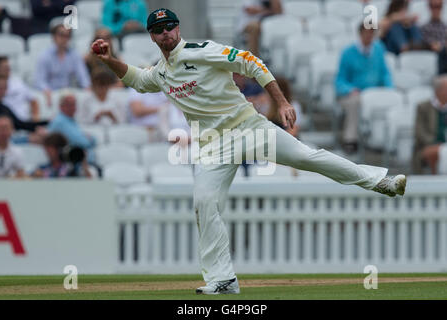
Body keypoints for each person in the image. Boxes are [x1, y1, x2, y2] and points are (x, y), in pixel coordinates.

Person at [91, 8, 407, 295]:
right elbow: (139, 80)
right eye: (160, 30)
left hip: (248, 127)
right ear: (152, 36)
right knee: (203, 203)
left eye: (171, 27)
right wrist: (108, 60)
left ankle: (380, 180)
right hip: (212, 146)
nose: (167, 34)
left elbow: (250, 62)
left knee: (306, 158)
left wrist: (281, 102)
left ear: (178, 28)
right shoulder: (161, 71)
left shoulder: (201, 51)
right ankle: (223, 279)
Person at [335, 23, 393, 153]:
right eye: (367, 32)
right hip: (354, 94)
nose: (369, 35)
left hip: (374, 93)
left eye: (372, 32)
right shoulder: (348, 53)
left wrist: (389, 88)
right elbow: (340, 80)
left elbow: (385, 72)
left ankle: (384, 139)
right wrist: (350, 89)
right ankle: (350, 140)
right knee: (356, 101)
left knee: (390, 99)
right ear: (360, 33)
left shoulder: (379, 49)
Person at [34, 23, 91, 106]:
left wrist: (87, 88)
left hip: (68, 93)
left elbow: (82, 76)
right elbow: (39, 80)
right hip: (51, 93)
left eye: (67, 36)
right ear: (54, 37)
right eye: (61, 35)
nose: (64, 39)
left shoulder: (74, 55)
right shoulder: (44, 56)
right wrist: (46, 90)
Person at [48, 92, 96, 164]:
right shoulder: (60, 122)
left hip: (82, 161)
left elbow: (90, 140)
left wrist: (90, 139)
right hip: (71, 163)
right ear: (61, 106)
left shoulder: (70, 120)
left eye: (74, 104)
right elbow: (82, 142)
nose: (73, 108)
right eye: (69, 105)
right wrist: (89, 139)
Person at [0, 76, 48, 144]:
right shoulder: (3, 108)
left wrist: (46, 123)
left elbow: (20, 124)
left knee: (42, 135)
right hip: (2, 142)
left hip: (9, 139)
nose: (3, 91)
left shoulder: (4, 107)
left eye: (4, 88)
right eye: (0, 88)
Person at [413, 75, 447, 174]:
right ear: (439, 91)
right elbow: (419, 132)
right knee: (435, 152)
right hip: (429, 146)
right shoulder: (423, 107)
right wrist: (436, 143)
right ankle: (435, 179)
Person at [0, 56, 40, 122]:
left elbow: (33, 100)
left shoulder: (18, 82)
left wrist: (35, 118)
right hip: (4, 124)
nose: (8, 69)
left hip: (24, 122)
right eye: (5, 67)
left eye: (9, 67)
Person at [421, 0, 447, 74]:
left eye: (438, 7)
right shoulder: (423, 28)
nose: (436, 10)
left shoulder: (445, 28)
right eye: (433, 7)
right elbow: (429, 44)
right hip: (432, 59)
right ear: (429, 8)